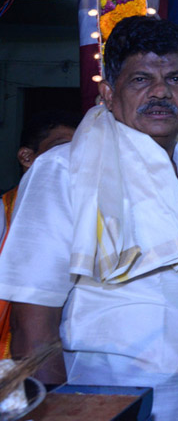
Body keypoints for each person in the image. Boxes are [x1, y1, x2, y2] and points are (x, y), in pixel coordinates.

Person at [0, 16, 178, 420]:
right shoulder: (64, 171)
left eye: (175, 79)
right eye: (141, 79)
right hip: (112, 408)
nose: (161, 92)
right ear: (109, 94)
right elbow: (32, 325)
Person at [0, 110, 80, 360]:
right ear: (27, 157)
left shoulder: (80, 213)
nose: (72, 156)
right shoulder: (3, 211)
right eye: (62, 147)